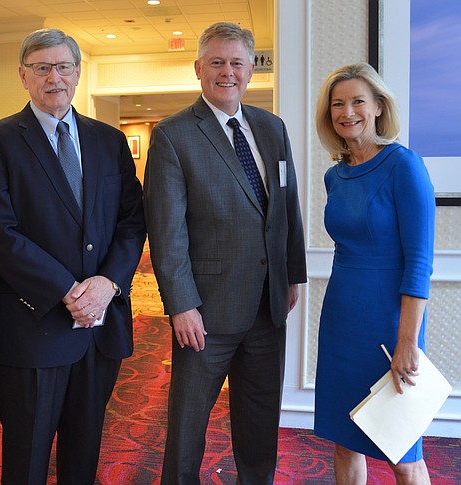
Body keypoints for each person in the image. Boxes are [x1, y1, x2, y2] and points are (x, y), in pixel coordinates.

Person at [0, 28, 146, 484]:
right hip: (34, 326)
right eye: (42, 68)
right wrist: (68, 291)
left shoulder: (108, 140)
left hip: (99, 326)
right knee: (27, 457)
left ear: (78, 73)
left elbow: (131, 219)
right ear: (23, 75)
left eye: (64, 67)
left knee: (84, 452)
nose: (54, 78)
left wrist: (108, 283)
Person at [144, 22, 307, 485]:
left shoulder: (271, 128)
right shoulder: (173, 135)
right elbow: (166, 230)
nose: (227, 72)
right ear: (198, 68)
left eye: (237, 62)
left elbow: (286, 206)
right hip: (206, 312)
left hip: (267, 306)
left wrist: (292, 274)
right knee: (188, 427)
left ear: (251, 69)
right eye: (216, 62)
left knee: (259, 423)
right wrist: (181, 305)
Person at [313, 62, 435, 484]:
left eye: (358, 101)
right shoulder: (335, 176)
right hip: (342, 318)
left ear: (379, 107)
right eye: (337, 104)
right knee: (344, 437)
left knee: (402, 448)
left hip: (389, 321)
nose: (347, 112)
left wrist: (407, 342)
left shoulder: (405, 166)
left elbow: (419, 262)